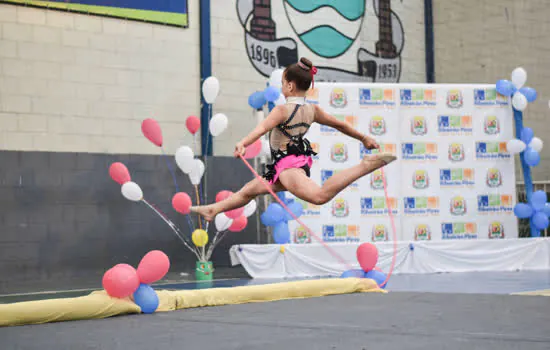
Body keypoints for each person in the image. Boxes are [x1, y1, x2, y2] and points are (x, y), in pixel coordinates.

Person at [191, 57, 396, 221]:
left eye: (282, 83)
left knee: (319, 195)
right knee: (249, 191)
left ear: (289, 86)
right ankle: (214, 209)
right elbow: (340, 125)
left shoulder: (282, 110)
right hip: (289, 165)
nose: (281, 87)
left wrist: (243, 143)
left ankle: (365, 166)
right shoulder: (312, 110)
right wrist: (364, 138)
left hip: (288, 167)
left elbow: (262, 127)